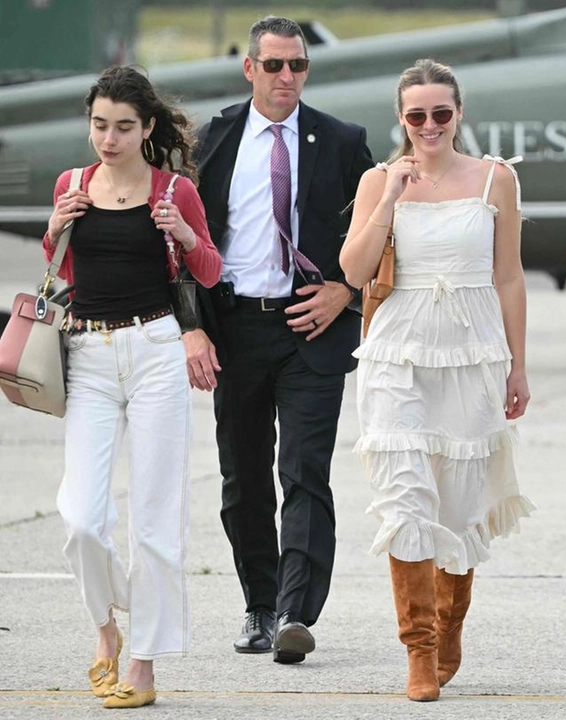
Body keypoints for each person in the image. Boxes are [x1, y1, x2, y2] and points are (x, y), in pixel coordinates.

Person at [340, 59, 534, 702]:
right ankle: (419, 651)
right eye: (416, 115)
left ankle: (450, 630)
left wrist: (518, 364)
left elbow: (508, 275)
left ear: (459, 115)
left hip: (473, 352)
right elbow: (354, 268)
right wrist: (392, 197)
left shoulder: (494, 179)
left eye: (440, 114)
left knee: (458, 506)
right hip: (398, 350)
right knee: (406, 501)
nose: (428, 125)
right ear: (402, 118)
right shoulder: (379, 179)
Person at [182, 15, 374, 663]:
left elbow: (381, 230)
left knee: (304, 470)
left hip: (310, 327)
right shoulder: (213, 140)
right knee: (243, 477)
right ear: (250, 69)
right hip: (235, 326)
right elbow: (182, 246)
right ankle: (258, 605)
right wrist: (195, 329)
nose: (287, 77)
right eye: (274, 66)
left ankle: (295, 611)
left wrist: (345, 288)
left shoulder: (343, 142)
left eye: (297, 66)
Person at [44, 66, 221, 709]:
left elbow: (209, 266)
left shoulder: (173, 187)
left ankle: (142, 661)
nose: (109, 139)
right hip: (88, 354)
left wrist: (181, 232)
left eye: (123, 127)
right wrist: (57, 225)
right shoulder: (71, 184)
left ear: (147, 128)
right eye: (99, 125)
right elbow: (60, 269)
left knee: (154, 517)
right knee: (82, 518)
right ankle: (107, 627)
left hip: (155, 350)